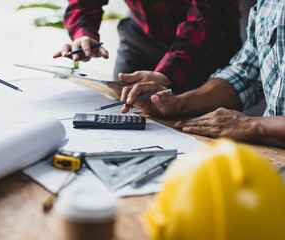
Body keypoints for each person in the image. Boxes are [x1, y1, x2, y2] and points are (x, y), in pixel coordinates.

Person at [119, 0, 285, 148]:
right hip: (270, 152)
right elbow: (244, 76)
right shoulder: (270, 4)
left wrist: (251, 126)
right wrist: (179, 104)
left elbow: (209, 12)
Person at [54, 0, 242, 95]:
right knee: (122, 113)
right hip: (140, 35)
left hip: (206, 43)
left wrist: (167, 73)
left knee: (199, 131)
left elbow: (209, 15)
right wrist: (84, 33)